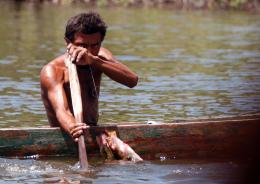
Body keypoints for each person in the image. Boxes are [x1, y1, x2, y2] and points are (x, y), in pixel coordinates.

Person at [40, 12, 142, 161]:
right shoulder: (53, 71)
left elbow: (132, 80)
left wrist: (94, 61)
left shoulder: (99, 57)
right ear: (67, 42)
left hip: (94, 133)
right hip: (68, 137)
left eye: (94, 45)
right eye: (81, 45)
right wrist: (73, 126)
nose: (86, 51)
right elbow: (62, 111)